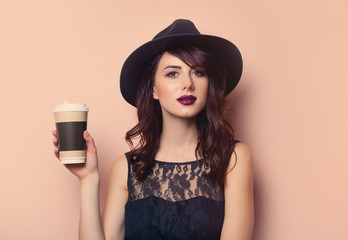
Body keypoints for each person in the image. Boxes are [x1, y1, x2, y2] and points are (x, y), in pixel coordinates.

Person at [52, 19, 254, 240]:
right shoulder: (127, 167)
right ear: (154, 89)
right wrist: (88, 178)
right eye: (172, 73)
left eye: (198, 72)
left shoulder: (234, 158)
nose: (187, 83)